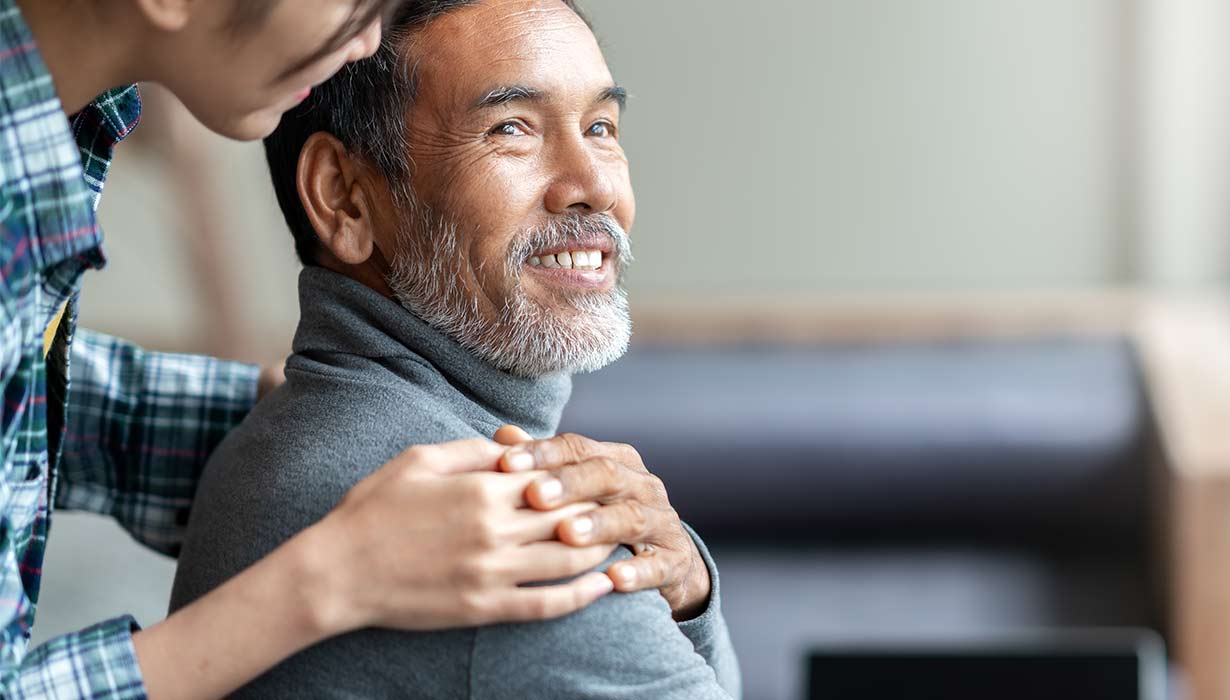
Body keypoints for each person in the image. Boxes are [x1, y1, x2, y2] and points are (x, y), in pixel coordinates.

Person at [0, 1, 710, 698]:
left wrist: (296, 434)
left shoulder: (61, 130)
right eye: (511, 129)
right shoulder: (514, 549)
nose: (594, 188)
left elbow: (18, 378)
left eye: (601, 126)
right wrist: (324, 576)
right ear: (343, 197)